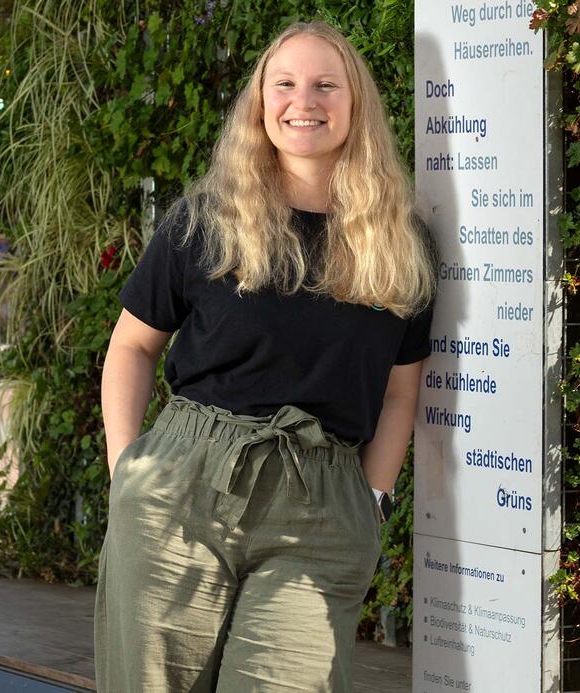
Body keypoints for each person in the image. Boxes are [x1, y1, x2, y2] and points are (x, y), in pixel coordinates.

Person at [95, 21, 436, 692]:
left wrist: (371, 494)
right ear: (259, 102)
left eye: (323, 85)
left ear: (354, 103)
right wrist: (126, 472)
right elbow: (131, 346)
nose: (301, 100)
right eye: (282, 83)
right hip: (182, 481)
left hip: (321, 497)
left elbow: (400, 390)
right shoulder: (204, 219)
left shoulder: (401, 241)